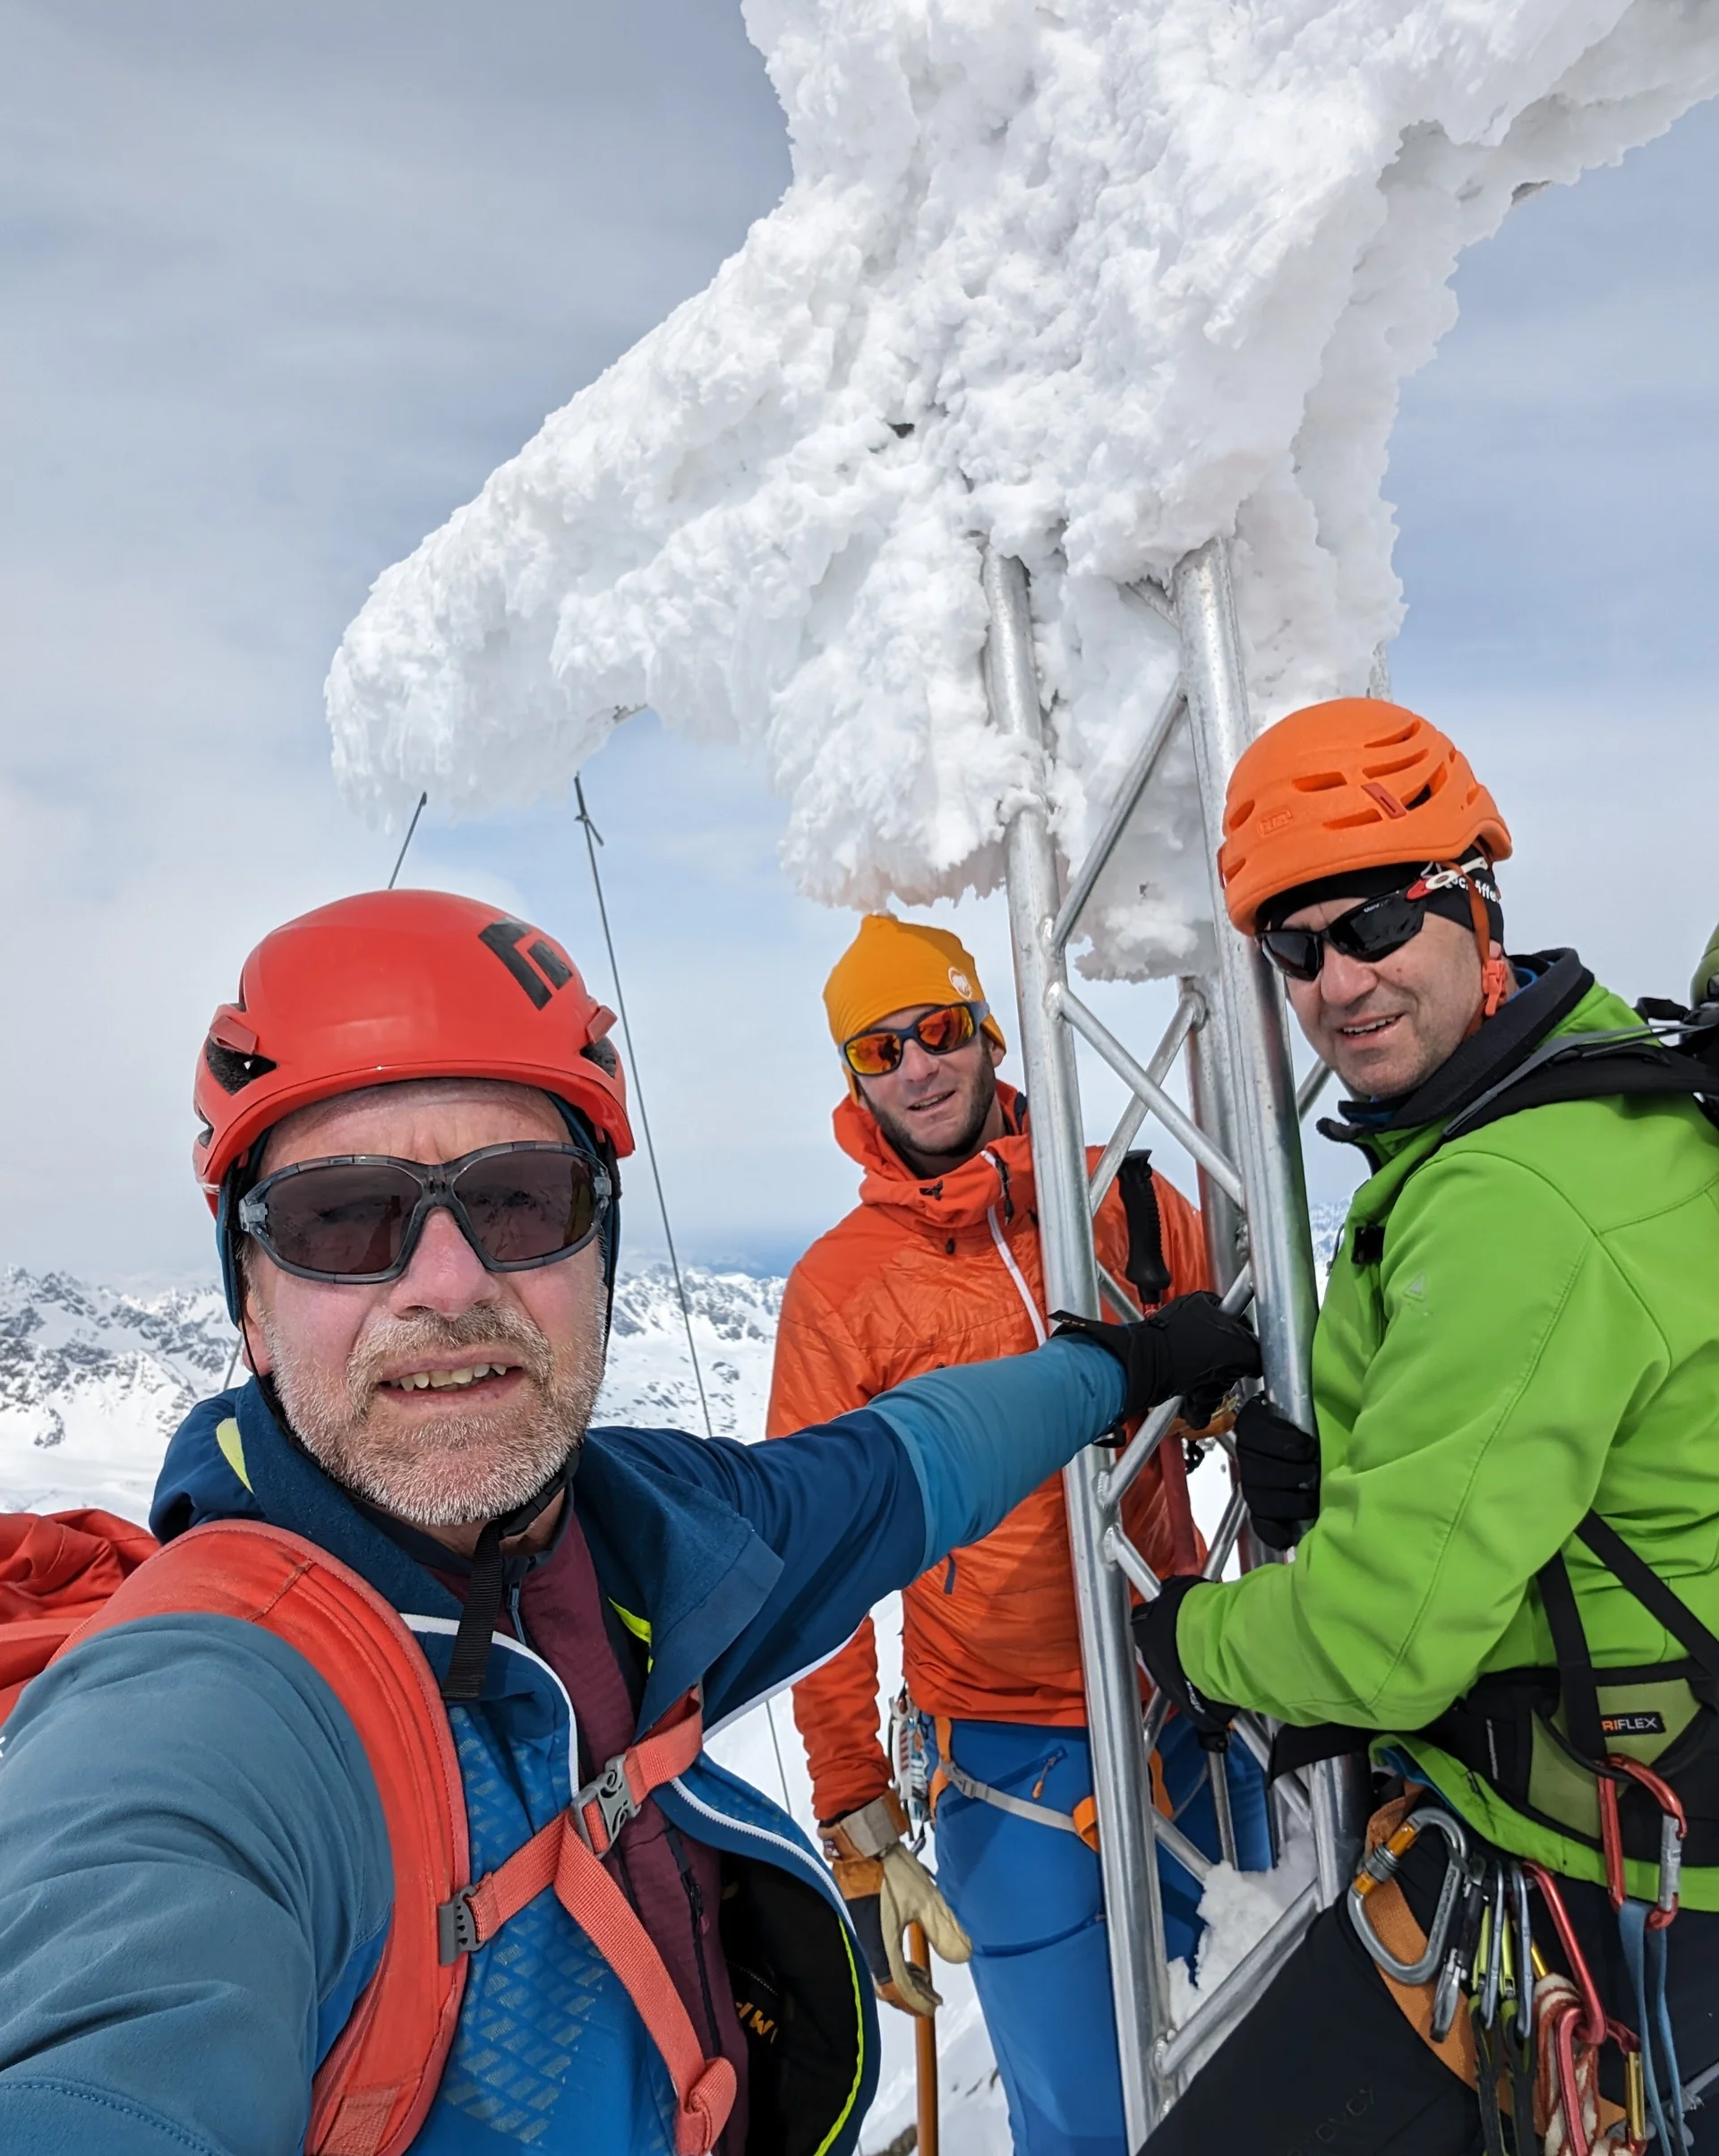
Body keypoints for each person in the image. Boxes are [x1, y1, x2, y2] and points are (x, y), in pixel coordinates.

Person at [0, 887, 1262, 2156]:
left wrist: (1121, 1367)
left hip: (1178, 1707)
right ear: (251, 1298)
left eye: (519, 1199)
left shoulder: (641, 1538)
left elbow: (906, 1465)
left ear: (598, 1244)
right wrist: (859, 1806)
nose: (448, 1282)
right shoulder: (211, 1711)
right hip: (1008, 1753)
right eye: (344, 1218)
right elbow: (107, 2001)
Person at [1132, 700, 1719, 2154]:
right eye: (1297, 946)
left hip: (1602, 1881)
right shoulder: (1594, 1105)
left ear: (1477, 906)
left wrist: (1192, 1643)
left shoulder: (1514, 1194)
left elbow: (1382, 1647)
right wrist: (1360, 1473)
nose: (1339, 981)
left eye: (1380, 921)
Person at [768, 912, 1272, 2156]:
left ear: (989, 1029)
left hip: (1188, 1682)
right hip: (1006, 1753)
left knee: (1263, 2049)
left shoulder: (1122, 1201)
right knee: (1089, 2118)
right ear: (853, 1083)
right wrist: (854, 1804)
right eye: (879, 1052)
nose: (918, 1068)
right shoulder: (842, 1287)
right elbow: (821, 1561)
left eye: (938, 1030)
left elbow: (1259, 1365)